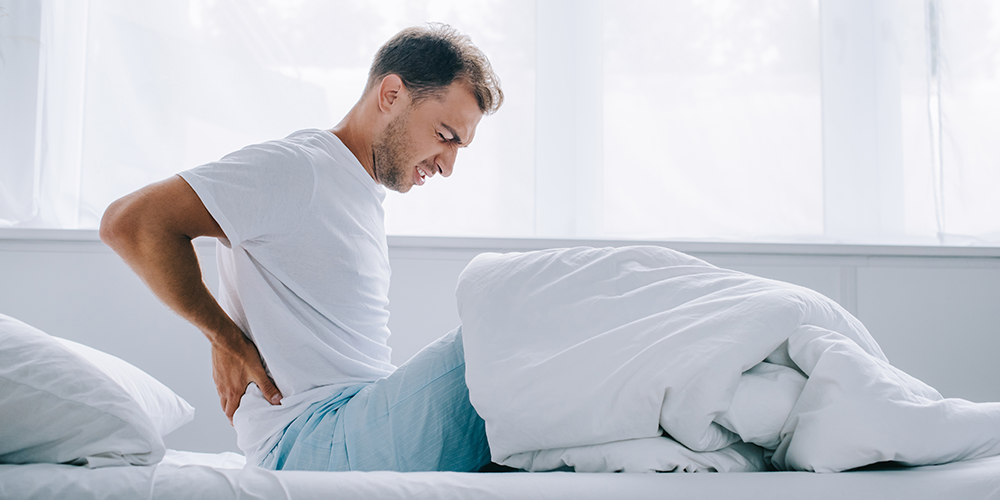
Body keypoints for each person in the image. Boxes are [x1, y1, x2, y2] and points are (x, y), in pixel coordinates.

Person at [100, 23, 503, 472]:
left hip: (355, 420)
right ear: (391, 95)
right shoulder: (301, 169)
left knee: (530, 407)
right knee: (508, 326)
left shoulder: (356, 189)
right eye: (446, 135)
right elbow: (131, 223)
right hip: (317, 434)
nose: (448, 165)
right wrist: (225, 339)